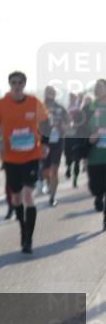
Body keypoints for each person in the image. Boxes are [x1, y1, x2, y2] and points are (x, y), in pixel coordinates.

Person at [0, 71, 49, 254]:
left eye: (20, 82)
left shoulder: (34, 102)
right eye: (14, 82)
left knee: (29, 196)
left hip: (31, 156)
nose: (17, 85)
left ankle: (29, 238)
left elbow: (45, 124)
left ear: (24, 84)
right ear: (9, 85)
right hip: (11, 158)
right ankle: (22, 229)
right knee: (16, 198)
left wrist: (44, 144)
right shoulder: (0, 105)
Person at [80, 79, 106, 230]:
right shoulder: (89, 109)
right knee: (96, 187)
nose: (98, 90)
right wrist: (89, 139)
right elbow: (80, 130)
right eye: (96, 88)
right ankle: (98, 197)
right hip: (95, 156)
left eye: (101, 87)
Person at [39, 85, 70, 207]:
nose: (49, 95)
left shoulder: (61, 108)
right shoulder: (40, 107)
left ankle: (52, 196)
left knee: (54, 169)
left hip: (57, 141)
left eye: (51, 92)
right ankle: (47, 183)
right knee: (45, 171)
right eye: (47, 92)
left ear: (55, 94)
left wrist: (64, 126)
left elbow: (68, 122)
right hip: (43, 141)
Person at [64, 92, 87, 189]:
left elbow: (83, 120)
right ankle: (69, 167)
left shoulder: (80, 109)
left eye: (73, 98)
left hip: (77, 135)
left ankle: (75, 179)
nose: (72, 99)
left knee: (77, 159)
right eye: (70, 98)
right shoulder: (66, 109)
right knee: (68, 155)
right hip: (68, 135)